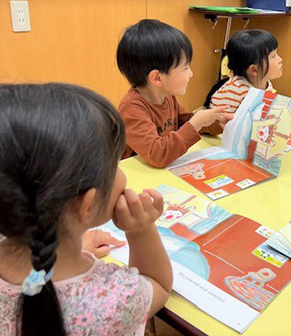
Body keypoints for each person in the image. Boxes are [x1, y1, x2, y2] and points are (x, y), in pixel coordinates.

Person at [0, 83, 172, 335]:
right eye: (115, 165)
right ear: (87, 206)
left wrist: (75, 247)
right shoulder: (116, 300)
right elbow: (158, 285)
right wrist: (140, 229)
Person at [117, 19, 233, 168]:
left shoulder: (167, 96)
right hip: (134, 175)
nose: (191, 74)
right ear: (157, 78)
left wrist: (215, 122)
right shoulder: (132, 109)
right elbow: (158, 155)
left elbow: (184, 123)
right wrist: (197, 122)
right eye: (185, 68)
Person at [205, 29, 283, 112]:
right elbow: (219, 117)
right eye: (273, 56)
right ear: (254, 70)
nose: (280, 59)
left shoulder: (266, 83)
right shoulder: (234, 91)